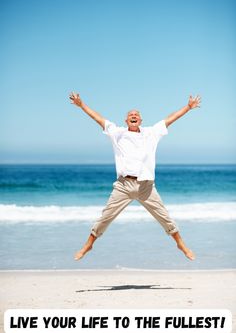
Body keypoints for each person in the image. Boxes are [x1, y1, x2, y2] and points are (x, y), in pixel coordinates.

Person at [69, 92, 201, 261]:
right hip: (124, 186)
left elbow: (170, 119)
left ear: (140, 120)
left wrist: (188, 107)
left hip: (146, 186)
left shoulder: (151, 133)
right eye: (130, 115)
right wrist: (81, 105)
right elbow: (98, 119)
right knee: (106, 217)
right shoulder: (117, 133)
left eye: (136, 115)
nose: (133, 116)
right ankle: (88, 244)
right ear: (126, 121)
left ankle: (180, 244)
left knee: (164, 216)